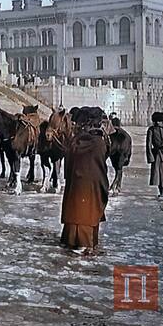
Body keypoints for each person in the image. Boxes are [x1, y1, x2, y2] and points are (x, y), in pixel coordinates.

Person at [60, 107, 110, 254]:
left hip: (81, 181)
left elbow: (71, 157)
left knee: (79, 212)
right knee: (85, 211)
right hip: (91, 181)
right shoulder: (99, 141)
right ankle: (79, 241)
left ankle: (80, 242)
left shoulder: (81, 142)